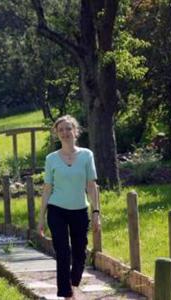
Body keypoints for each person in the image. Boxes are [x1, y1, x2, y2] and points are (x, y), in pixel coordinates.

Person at [37, 115, 100, 300]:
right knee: (62, 252)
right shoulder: (51, 159)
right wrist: (41, 218)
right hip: (56, 210)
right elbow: (47, 189)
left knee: (80, 252)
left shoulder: (87, 155)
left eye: (68, 129)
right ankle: (66, 294)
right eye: (61, 130)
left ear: (75, 131)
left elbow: (91, 185)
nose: (65, 133)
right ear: (57, 134)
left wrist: (96, 212)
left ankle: (73, 284)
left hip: (80, 210)